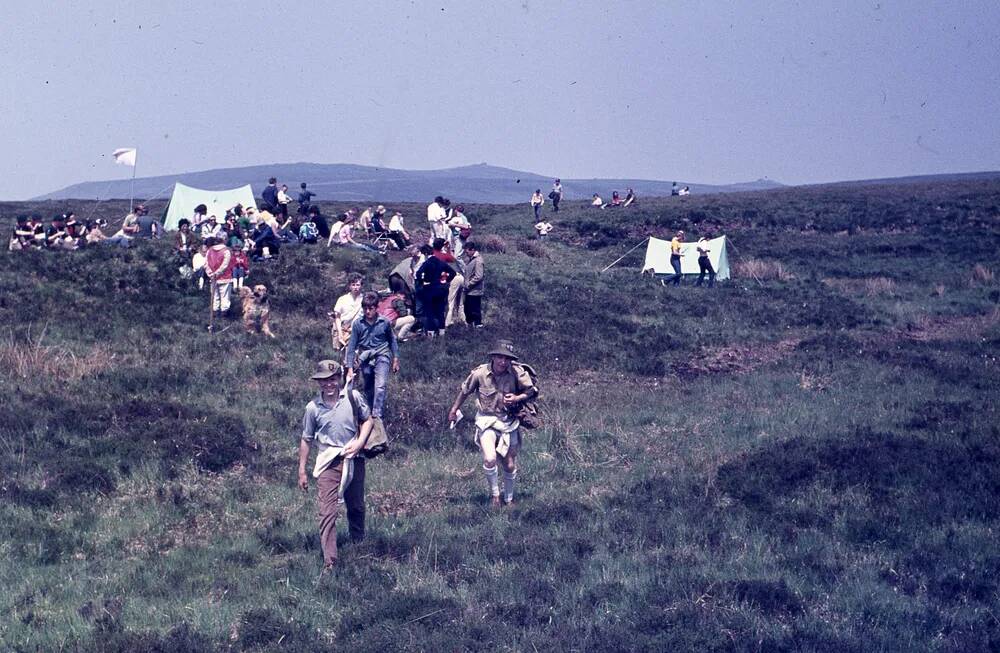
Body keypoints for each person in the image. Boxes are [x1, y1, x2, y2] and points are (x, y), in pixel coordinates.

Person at [298, 359, 374, 571]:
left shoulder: (353, 397)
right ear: (318, 382)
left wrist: (359, 443)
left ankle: (359, 545)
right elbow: (306, 439)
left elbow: (368, 420)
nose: (328, 384)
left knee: (356, 506)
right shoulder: (313, 408)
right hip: (328, 462)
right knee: (327, 511)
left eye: (332, 379)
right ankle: (330, 561)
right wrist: (302, 470)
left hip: (354, 459)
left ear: (339, 379)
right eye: (323, 381)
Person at [448, 340, 537, 507]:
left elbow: (532, 391)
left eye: (506, 358)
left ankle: (509, 499)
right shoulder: (480, 373)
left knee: (509, 464)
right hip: (486, 420)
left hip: (508, 422)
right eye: (499, 357)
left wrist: (518, 398)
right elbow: (465, 391)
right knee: (490, 459)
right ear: (493, 357)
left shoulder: (517, 372)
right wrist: (453, 410)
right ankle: (495, 496)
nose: (503, 362)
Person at [346, 292, 400, 420]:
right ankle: (368, 412)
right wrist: (349, 367)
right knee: (368, 386)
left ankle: (377, 416)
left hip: (382, 354)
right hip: (365, 357)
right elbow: (351, 346)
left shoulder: (385, 322)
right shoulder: (358, 324)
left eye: (371, 308)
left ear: (376, 308)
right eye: (365, 308)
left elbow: (392, 340)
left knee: (380, 385)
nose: (367, 311)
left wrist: (396, 359)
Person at [414, 239, 455, 337]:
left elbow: (418, 274)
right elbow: (452, 272)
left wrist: (422, 282)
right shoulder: (441, 262)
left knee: (430, 313)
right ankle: (442, 333)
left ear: (427, 254)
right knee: (440, 312)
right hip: (440, 289)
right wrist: (446, 280)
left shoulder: (427, 263)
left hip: (429, 290)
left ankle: (431, 334)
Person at [204, 236, 235, 320]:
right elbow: (225, 265)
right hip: (225, 277)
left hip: (213, 277)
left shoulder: (209, 250)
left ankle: (215, 313)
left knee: (215, 296)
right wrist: (217, 273)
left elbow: (206, 263)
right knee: (225, 295)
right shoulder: (226, 251)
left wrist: (210, 273)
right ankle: (224, 314)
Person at [331, 274, 364, 351]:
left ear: (361, 286)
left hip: (358, 332)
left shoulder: (364, 300)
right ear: (350, 286)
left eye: (358, 285)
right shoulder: (342, 299)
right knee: (344, 356)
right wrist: (340, 334)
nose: (355, 287)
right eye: (353, 285)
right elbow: (337, 317)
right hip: (343, 330)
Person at [463, 241, 485, 327]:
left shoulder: (478, 260)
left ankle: (478, 325)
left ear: (472, 250)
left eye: (467, 251)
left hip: (475, 290)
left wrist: (468, 284)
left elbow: (479, 276)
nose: (466, 253)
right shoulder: (471, 259)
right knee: (468, 309)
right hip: (470, 290)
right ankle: (471, 325)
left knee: (475, 309)